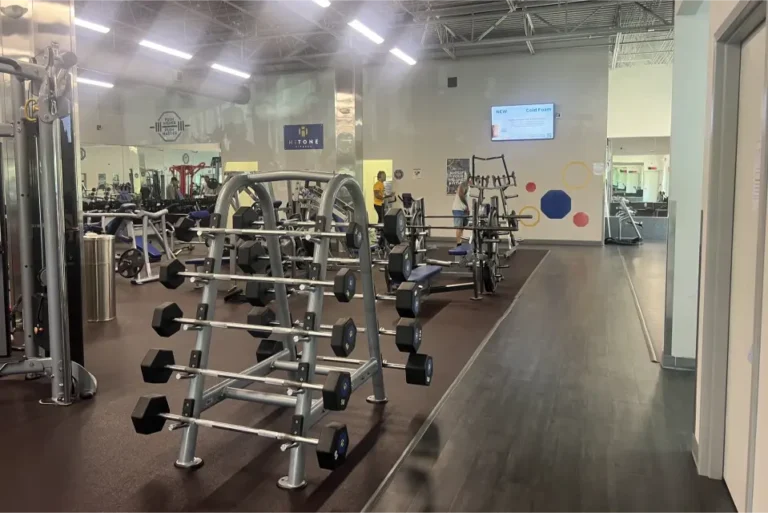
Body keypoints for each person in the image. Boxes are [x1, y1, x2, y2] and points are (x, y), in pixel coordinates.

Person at [452, 178, 469, 246]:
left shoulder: (468, 187)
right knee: (459, 227)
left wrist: (467, 208)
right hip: (458, 209)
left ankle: (460, 242)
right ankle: (458, 243)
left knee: (462, 227)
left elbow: (465, 198)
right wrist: (467, 205)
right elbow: (461, 195)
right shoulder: (463, 185)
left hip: (463, 209)